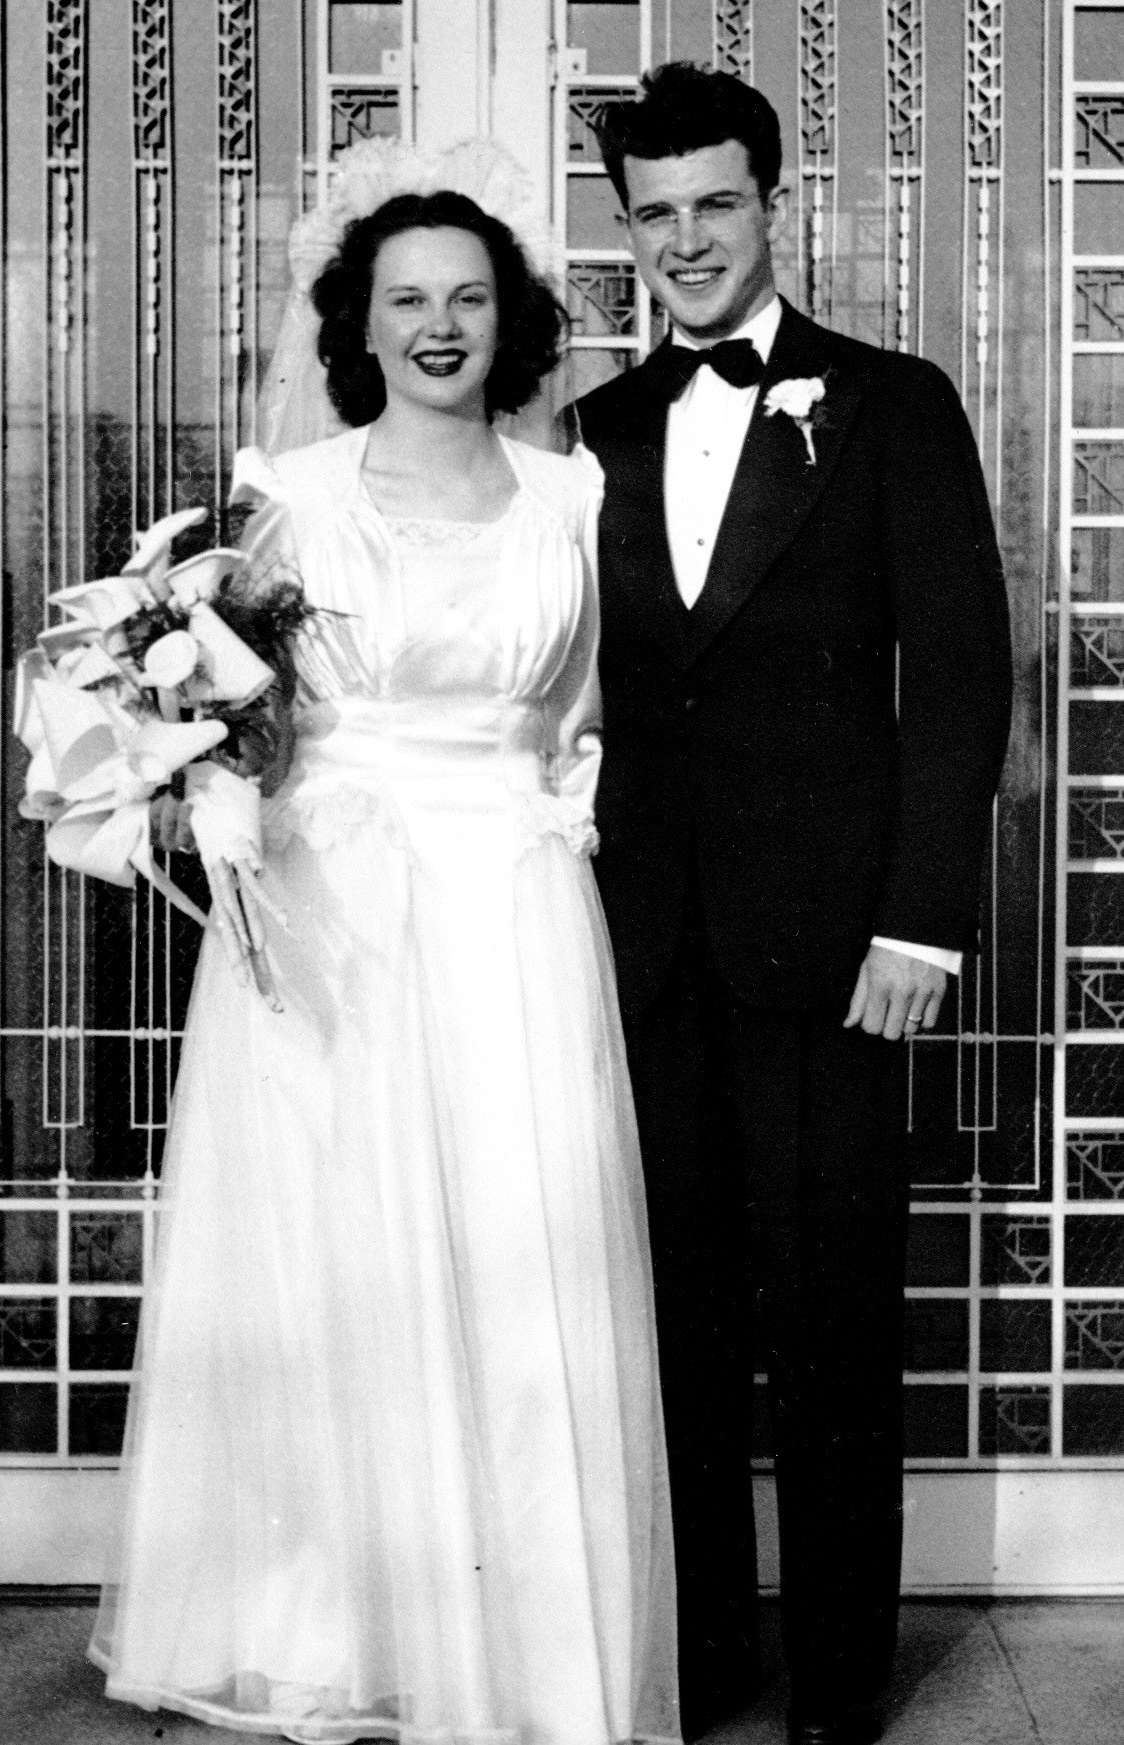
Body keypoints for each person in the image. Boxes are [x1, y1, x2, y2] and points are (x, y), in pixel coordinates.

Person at [90, 156, 679, 1745]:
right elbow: (228, 712)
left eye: (469, 298)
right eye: (407, 299)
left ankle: (528, 1652)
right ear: (356, 322)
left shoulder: (573, 493)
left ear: (513, 318)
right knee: (341, 1264)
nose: (441, 326)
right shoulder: (289, 492)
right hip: (334, 912)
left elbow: (592, 715)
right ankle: (340, 1641)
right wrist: (179, 776)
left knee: (515, 1251)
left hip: (512, 908)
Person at [573, 65, 1013, 1745]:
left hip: (838, 956)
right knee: (671, 1322)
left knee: (832, 1325)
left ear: (775, 204)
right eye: (657, 211)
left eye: (717, 204)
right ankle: (703, 1662)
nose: (688, 239)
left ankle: (836, 1684)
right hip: (636, 953)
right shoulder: (593, 433)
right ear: (629, 227)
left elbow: (963, 681)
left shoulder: (894, 404)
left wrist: (921, 927)